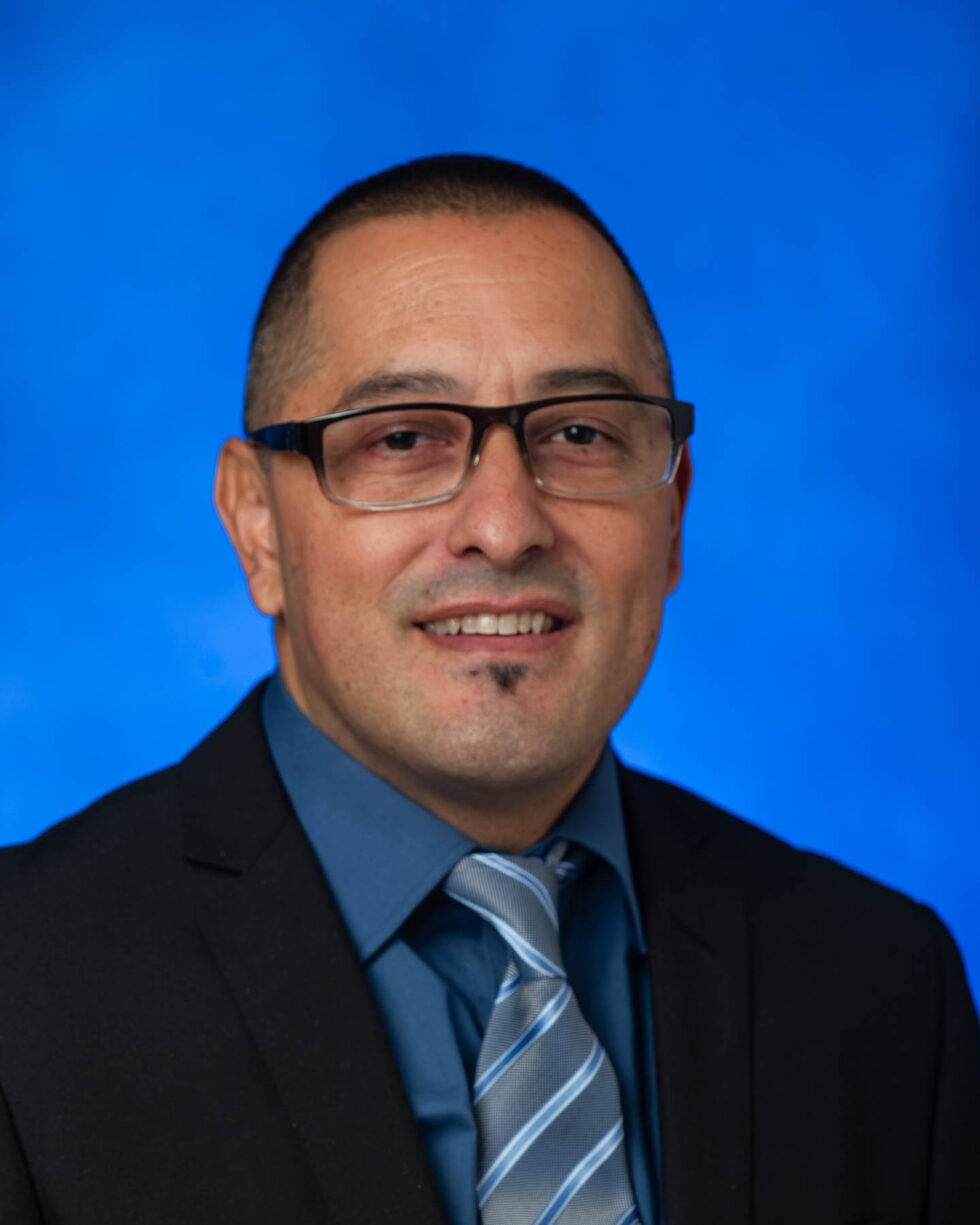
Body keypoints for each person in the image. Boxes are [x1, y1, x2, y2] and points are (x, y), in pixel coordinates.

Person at [0, 154, 976, 1225]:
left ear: (672, 513)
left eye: (580, 434)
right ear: (258, 525)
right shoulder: (22, 990)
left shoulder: (881, 988)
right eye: (403, 439)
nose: (506, 528)